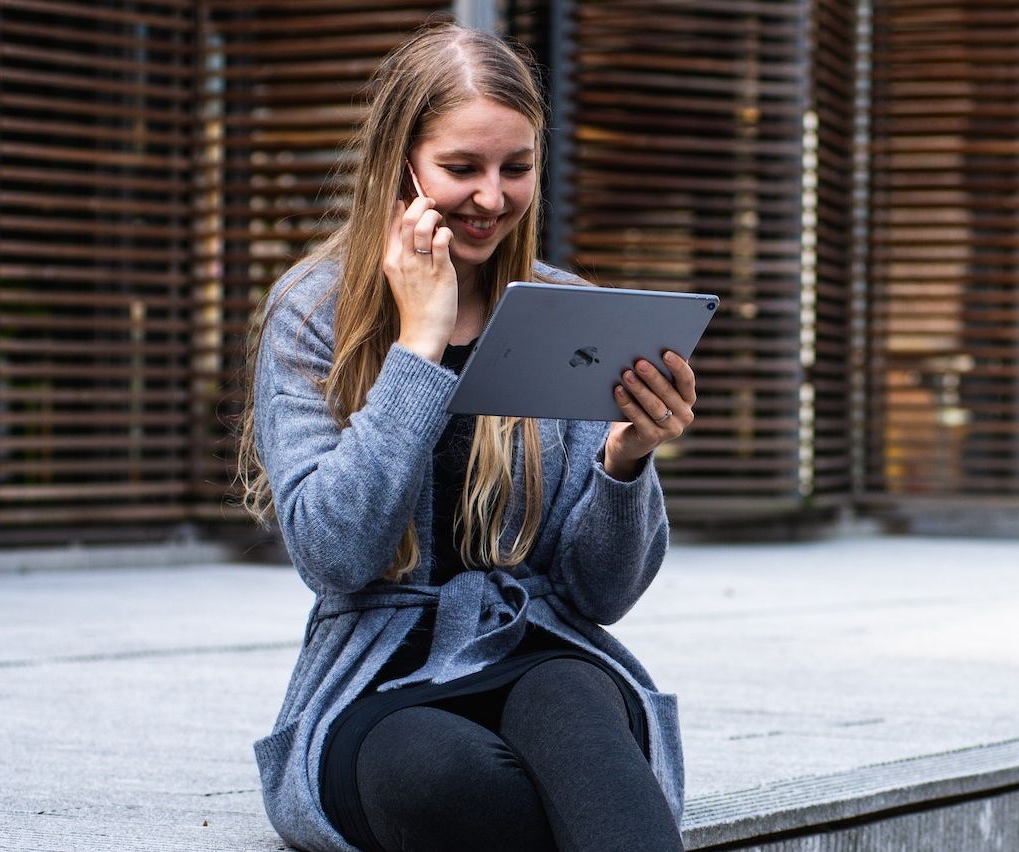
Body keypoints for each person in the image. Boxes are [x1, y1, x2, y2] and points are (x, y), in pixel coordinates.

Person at [236, 22, 692, 852]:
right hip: (376, 679)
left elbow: (600, 599)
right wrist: (418, 346)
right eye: (461, 168)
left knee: (587, 734)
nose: (491, 196)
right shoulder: (313, 311)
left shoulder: (564, 311)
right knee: (450, 784)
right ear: (399, 165)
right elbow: (334, 554)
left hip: (539, 648)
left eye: (515, 168)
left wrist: (625, 465)